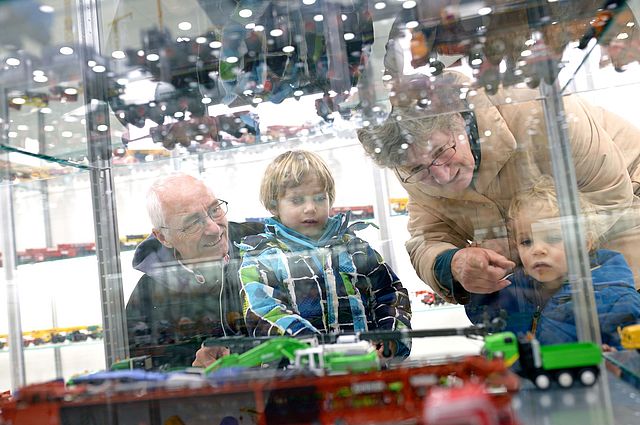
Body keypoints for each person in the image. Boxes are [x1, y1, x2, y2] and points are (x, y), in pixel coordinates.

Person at [357, 70, 640, 304]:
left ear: (458, 120)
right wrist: (453, 263)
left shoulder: (535, 107)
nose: (441, 176)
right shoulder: (408, 160)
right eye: (418, 169)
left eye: (442, 152)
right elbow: (427, 237)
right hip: (543, 270)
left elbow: (611, 196)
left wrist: (522, 248)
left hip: (625, 213)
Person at [237, 150, 412, 358]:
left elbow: (390, 293)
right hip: (298, 374)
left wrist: (390, 335)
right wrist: (311, 347)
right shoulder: (262, 257)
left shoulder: (355, 248)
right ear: (274, 204)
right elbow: (262, 311)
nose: (310, 208)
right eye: (297, 200)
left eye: (320, 198)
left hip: (364, 364)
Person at [465, 177, 640, 348]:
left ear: (583, 243)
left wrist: (616, 363)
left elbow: (633, 357)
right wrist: (481, 273)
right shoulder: (518, 292)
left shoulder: (613, 298)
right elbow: (481, 313)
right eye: (526, 242)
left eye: (553, 237)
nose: (537, 249)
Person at [126, 173, 264, 368]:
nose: (214, 229)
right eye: (192, 223)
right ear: (163, 237)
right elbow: (142, 372)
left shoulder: (262, 243)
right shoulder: (147, 295)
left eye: (215, 210)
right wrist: (190, 370)